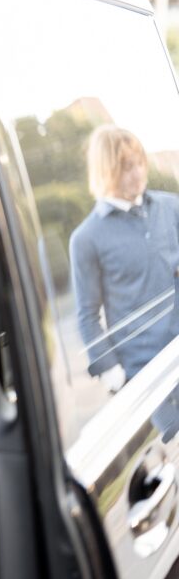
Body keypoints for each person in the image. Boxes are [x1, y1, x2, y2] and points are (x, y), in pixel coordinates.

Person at [69, 124, 179, 391]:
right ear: (105, 171)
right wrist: (116, 377)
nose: (138, 173)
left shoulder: (172, 206)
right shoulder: (86, 238)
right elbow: (87, 315)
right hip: (148, 378)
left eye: (140, 162)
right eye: (127, 167)